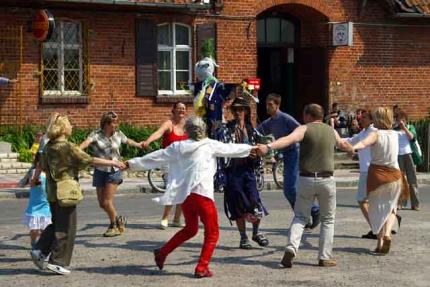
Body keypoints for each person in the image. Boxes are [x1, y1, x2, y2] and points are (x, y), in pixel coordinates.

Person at [125, 116, 255, 278]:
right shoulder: (209, 145)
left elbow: (157, 157)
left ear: (187, 131)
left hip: (186, 196)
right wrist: (254, 148)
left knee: (191, 229)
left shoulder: (178, 146)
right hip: (203, 196)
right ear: (204, 130)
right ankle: (202, 267)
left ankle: (162, 252)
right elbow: (231, 149)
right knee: (212, 233)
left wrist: (131, 164)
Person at [256, 103, 353, 268]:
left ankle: (291, 248)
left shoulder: (304, 129)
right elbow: (343, 145)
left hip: (306, 179)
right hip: (327, 180)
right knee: (328, 219)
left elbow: (288, 140)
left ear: (308, 115)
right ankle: (324, 256)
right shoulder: (331, 131)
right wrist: (351, 150)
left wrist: (268, 146)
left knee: (300, 216)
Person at [31, 114, 125, 275]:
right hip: (66, 190)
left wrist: (34, 179)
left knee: (55, 224)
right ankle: (57, 261)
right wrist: (113, 162)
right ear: (63, 128)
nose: (72, 127)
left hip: (52, 190)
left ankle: (39, 251)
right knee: (67, 227)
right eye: (69, 124)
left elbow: (41, 165)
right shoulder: (67, 146)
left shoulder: (49, 146)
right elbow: (88, 159)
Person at [257, 93, 320, 229]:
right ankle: (306, 214)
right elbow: (258, 132)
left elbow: (302, 131)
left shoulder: (286, 119)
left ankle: (311, 212)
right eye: (266, 104)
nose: (267, 107)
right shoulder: (269, 122)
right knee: (292, 189)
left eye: (271, 105)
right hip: (285, 154)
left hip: (294, 153)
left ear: (277, 105)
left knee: (290, 189)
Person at [80, 111, 143, 237]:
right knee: (101, 203)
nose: (116, 124)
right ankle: (119, 219)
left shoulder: (118, 134)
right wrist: (77, 150)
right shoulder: (96, 134)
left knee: (107, 201)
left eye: (116, 122)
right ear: (106, 124)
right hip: (100, 170)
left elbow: (127, 141)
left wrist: (139, 144)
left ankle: (113, 225)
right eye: (113, 122)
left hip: (114, 171)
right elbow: (86, 142)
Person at [350, 107, 402, 254]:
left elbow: (364, 144)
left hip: (377, 176)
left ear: (377, 119)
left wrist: (352, 148)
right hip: (395, 175)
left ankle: (380, 241)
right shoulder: (396, 134)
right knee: (391, 208)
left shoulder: (376, 134)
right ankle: (386, 235)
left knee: (376, 210)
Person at [219, 96, 269, 249]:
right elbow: (223, 150)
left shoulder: (252, 130)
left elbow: (262, 149)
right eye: (236, 109)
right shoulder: (226, 130)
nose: (239, 112)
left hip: (249, 171)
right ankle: (243, 237)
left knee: (255, 202)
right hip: (234, 172)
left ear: (246, 111)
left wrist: (257, 155)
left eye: (241, 109)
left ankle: (255, 233)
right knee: (238, 205)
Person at [141, 102, 188, 229]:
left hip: (184, 163)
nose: (181, 110)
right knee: (172, 188)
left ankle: (177, 219)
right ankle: (165, 218)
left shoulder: (188, 125)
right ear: (173, 110)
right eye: (178, 108)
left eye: (183, 108)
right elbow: (158, 133)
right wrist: (148, 141)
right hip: (169, 162)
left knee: (184, 191)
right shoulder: (169, 124)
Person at [345, 109, 378, 239]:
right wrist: (334, 138)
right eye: (361, 117)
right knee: (371, 201)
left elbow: (361, 145)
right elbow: (350, 140)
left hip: (370, 170)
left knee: (362, 200)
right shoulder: (363, 132)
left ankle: (376, 228)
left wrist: (352, 148)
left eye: (365, 117)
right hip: (366, 170)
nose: (361, 119)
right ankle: (379, 227)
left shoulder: (374, 132)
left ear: (371, 120)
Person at [395, 110, 420, 211]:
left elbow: (412, 137)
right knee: (400, 181)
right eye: (398, 119)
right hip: (398, 156)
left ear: (406, 120)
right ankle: (400, 203)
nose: (400, 121)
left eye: (402, 120)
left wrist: (404, 128)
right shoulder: (394, 130)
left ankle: (415, 204)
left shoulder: (410, 128)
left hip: (409, 155)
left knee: (412, 180)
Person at [22, 169, 51, 250]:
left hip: (46, 202)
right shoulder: (34, 171)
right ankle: (33, 242)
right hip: (35, 204)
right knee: (34, 229)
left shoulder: (51, 170)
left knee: (45, 228)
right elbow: (33, 184)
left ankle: (43, 246)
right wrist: (36, 179)